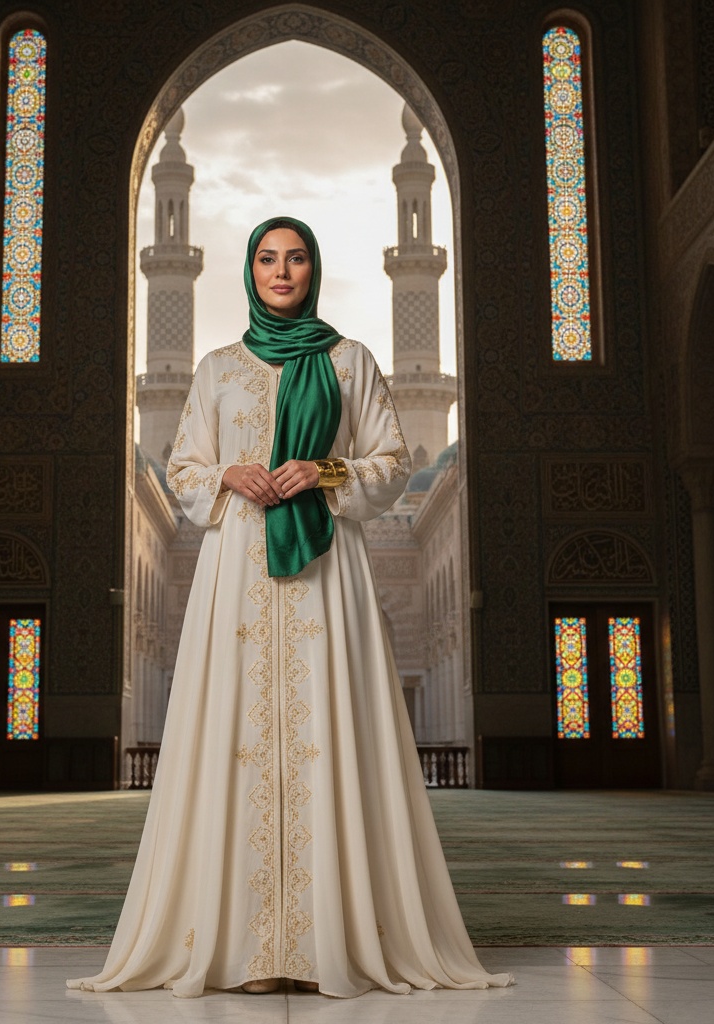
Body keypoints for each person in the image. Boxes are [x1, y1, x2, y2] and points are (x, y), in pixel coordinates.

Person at [67, 217, 512, 999]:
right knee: (236, 736)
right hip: (235, 572)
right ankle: (239, 943)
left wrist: (323, 469)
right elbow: (182, 468)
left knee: (322, 736)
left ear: (313, 268)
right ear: (250, 269)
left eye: (296, 257)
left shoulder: (351, 362)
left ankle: (324, 942)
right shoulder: (215, 370)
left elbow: (393, 462)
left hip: (324, 572)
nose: (282, 271)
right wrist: (232, 475)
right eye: (268, 258)